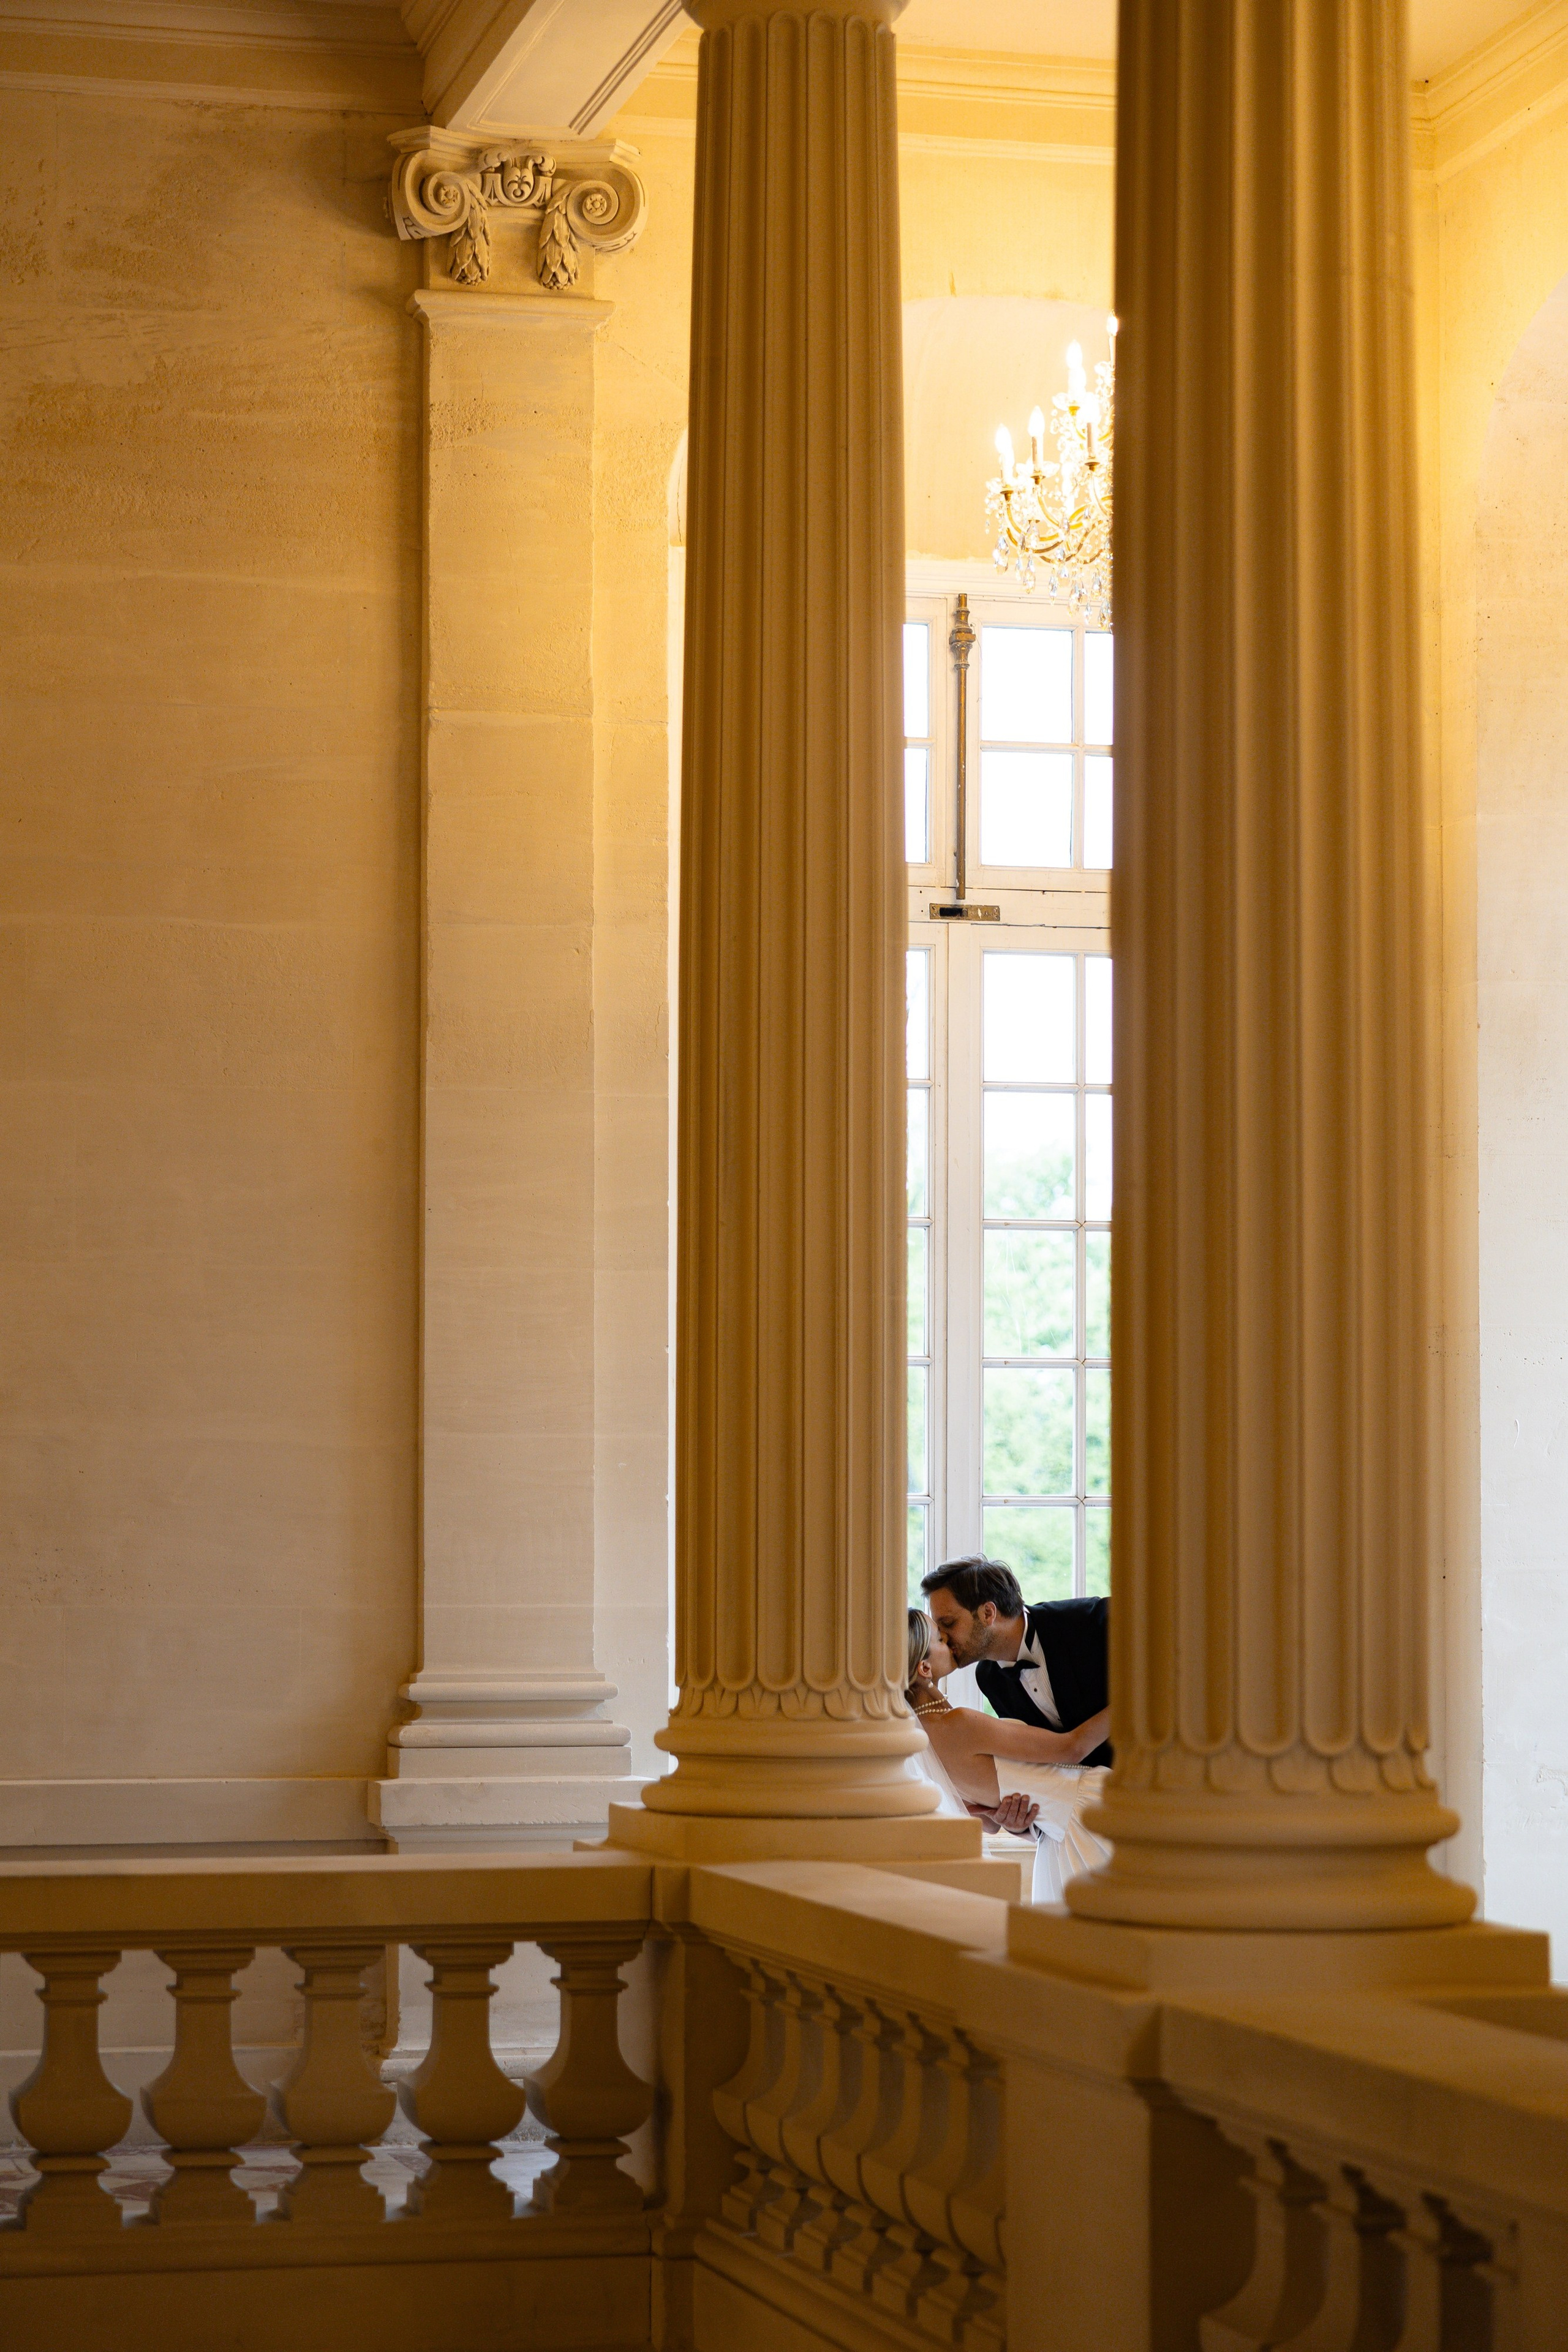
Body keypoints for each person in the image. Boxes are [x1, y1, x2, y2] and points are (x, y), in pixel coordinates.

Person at [906, 1608, 1111, 1903]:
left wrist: (1008, 1817)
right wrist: (1139, 1699)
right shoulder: (959, 1724)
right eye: (940, 1638)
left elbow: (987, 1822)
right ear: (925, 1669)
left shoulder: (919, 1741)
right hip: (1087, 1811)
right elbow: (1071, 1748)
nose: (950, 1641)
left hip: (1056, 1838)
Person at [920, 1556, 1111, 1767]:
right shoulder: (988, 1679)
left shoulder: (1091, 1620)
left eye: (948, 1623)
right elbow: (1041, 1755)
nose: (944, 1637)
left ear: (988, 1613)